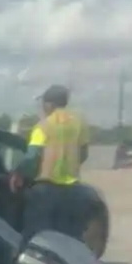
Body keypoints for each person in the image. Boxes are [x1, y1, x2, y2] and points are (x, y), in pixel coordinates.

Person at [12, 85, 90, 238]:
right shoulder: (79, 124)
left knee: (38, 237)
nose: (42, 107)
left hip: (46, 190)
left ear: (50, 104)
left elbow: (32, 157)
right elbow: (84, 153)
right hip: (73, 190)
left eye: (43, 103)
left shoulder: (43, 126)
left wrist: (19, 173)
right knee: (70, 237)